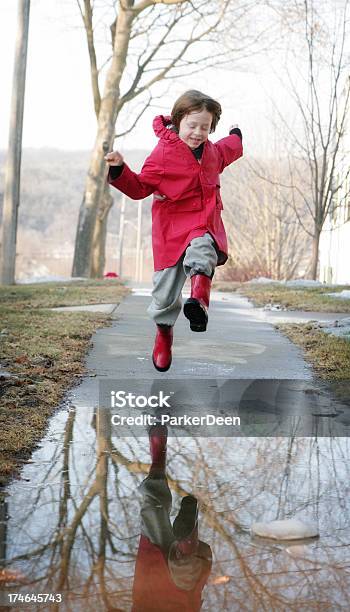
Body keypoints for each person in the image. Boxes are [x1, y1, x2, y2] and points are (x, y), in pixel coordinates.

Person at [105, 90, 243, 372]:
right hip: (170, 229)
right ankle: (164, 335)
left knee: (203, 250)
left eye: (205, 127)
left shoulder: (213, 152)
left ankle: (198, 303)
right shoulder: (163, 154)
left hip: (202, 223)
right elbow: (140, 188)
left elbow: (232, 146)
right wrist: (120, 169)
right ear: (178, 121)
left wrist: (237, 133)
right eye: (192, 126)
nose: (198, 133)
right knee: (165, 295)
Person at [132, 424, 212, 611]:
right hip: (149, 593)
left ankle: (186, 547)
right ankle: (158, 452)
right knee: (153, 510)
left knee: (185, 577)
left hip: (182, 596)